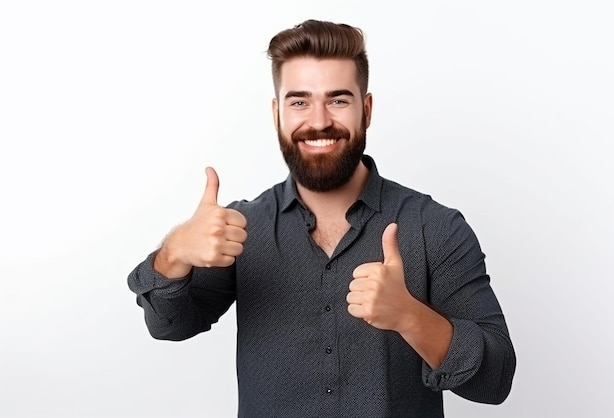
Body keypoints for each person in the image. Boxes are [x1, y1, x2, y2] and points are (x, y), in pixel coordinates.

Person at [128, 19, 516, 417]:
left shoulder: (435, 227)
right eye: (299, 101)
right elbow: (169, 326)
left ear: (366, 110)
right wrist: (175, 254)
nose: (318, 121)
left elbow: (495, 379)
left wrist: (410, 317)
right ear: (277, 113)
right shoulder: (242, 229)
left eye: (338, 100)